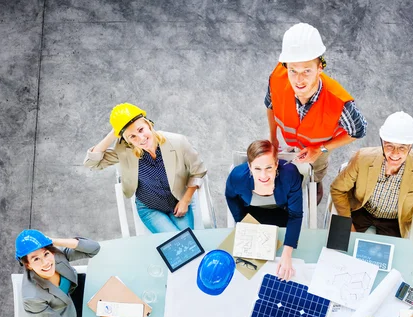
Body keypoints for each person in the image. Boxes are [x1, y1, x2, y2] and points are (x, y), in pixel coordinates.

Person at [265, 23, 367, 204]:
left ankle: (316, 182)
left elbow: (358, 132)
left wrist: (320, 149)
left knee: (316, 169)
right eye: (293, 71)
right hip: (292, 140)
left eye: (307, 71)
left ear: (320, 67)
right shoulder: (277, 79)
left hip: (320, 145)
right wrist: (273, 138)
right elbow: (270, 105)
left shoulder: (339, 103)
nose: (299, 80)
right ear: (286, 66)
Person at [84, 103, 207, 233]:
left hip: (178, 200)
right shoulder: (125, 151)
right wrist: (114, 132)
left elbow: (198, 172)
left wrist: (185, 201)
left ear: (148, 124)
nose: (141, 138)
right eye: (132, 136)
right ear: (127, 140)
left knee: (188, 242)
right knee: (175, 243)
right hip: (150, 208)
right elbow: (91, 162)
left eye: (141, 130)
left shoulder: (177, 141)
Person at [330, 111, 413, 256]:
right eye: (389, 146)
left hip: (393, 222)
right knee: (337, 253)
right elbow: (337, 188)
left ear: (410, 146)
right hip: (360, 210)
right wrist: (347, 224)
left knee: (387, 265)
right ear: (382, 141)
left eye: (402, 147)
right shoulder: (363, 158)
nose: (394, 154)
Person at [15, 229, 124, 317]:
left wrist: (52, 241)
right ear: (28, 265)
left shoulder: (55, 255)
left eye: (46, 254)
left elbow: (94, 249)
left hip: (80, 286)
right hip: (70, 310)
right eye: (36, 259)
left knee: (122, 302)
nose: (46, 263)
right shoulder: (32, 297)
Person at [226, 139, 303, 280]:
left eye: (268, 168)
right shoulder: (237, 177)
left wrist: (287, 253)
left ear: (276, 164)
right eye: (257, 169)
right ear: (249, 166)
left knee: (279, 261)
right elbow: (231, 197)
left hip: (282, 214)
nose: (263, 176)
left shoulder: (290, 174)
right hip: (251, 215)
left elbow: (295, 215)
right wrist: (242, 222)